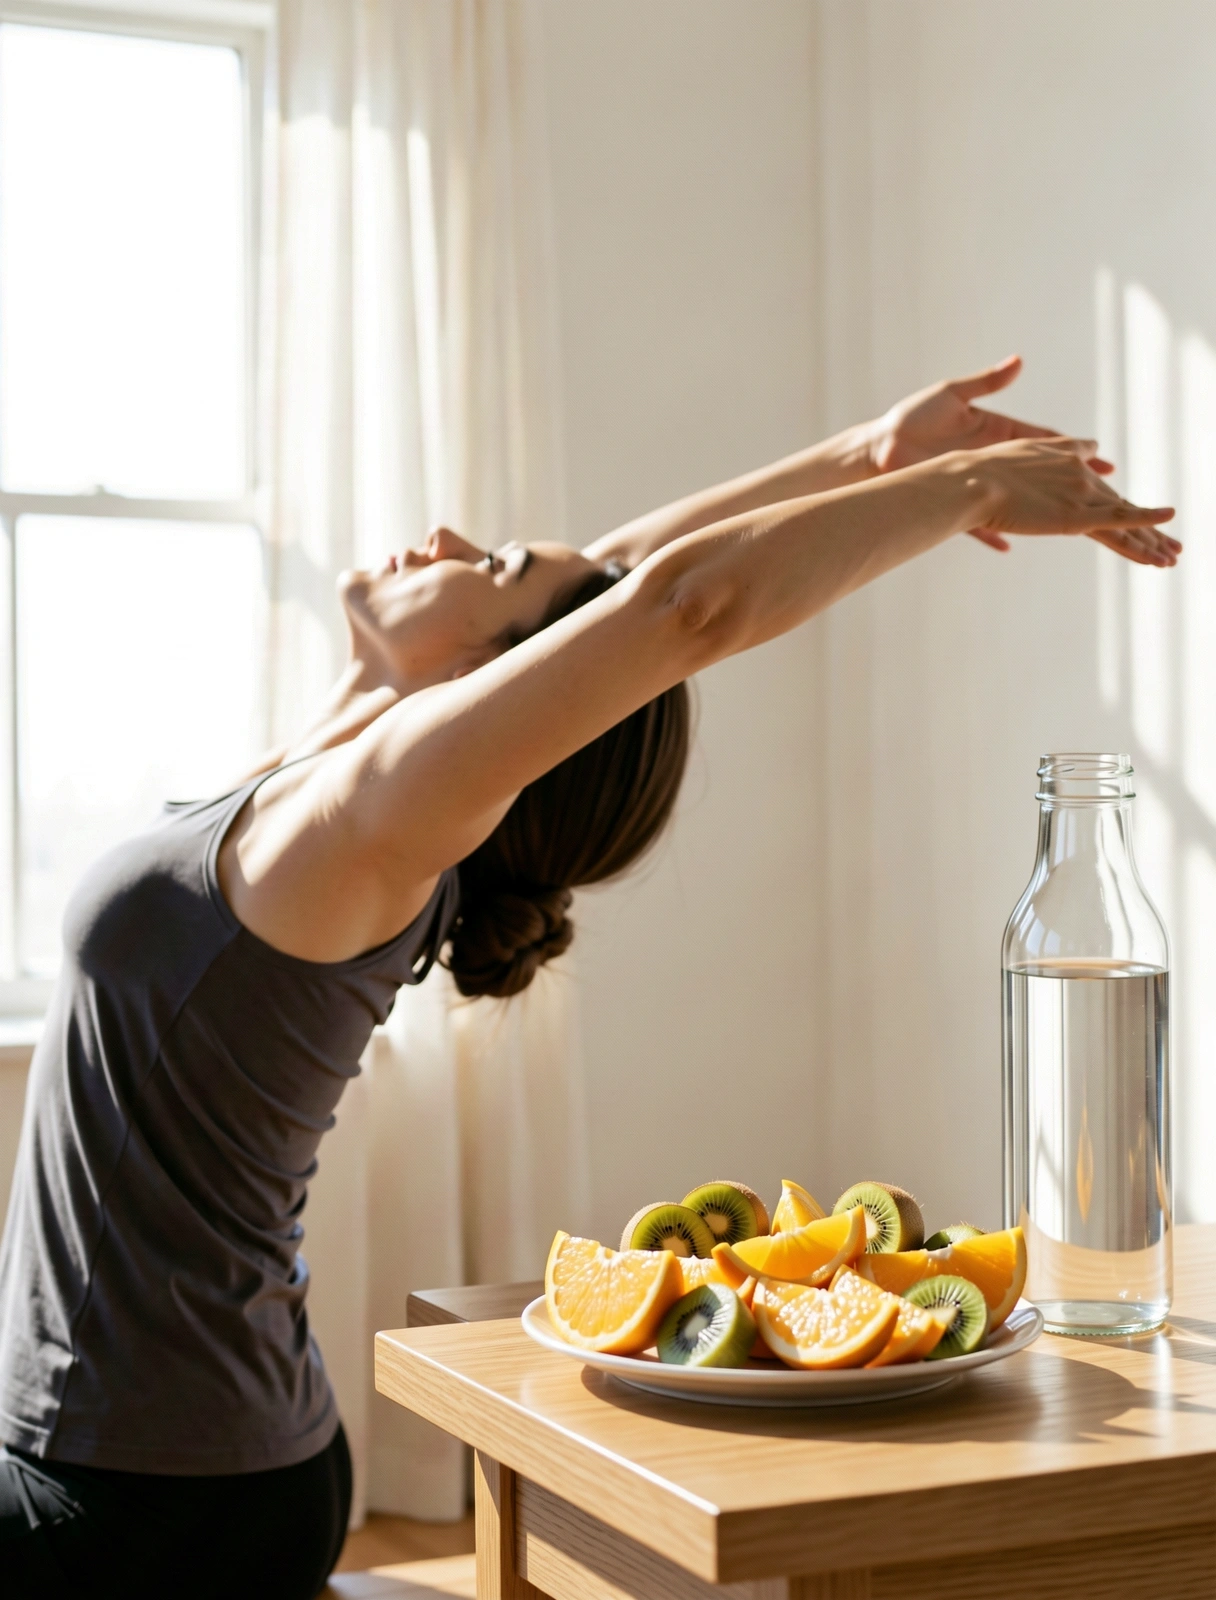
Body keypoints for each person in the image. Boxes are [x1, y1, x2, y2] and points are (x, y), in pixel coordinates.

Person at [0, 356, 1178, 1597]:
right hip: (176, 1452)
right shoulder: (346, 772)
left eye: (493, 563)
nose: (450, 536)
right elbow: (620, 575)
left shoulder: (363, 821)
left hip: (142, 1501)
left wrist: (967, 483)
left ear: (493, 684)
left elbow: (671, 611)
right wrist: (867, 453)